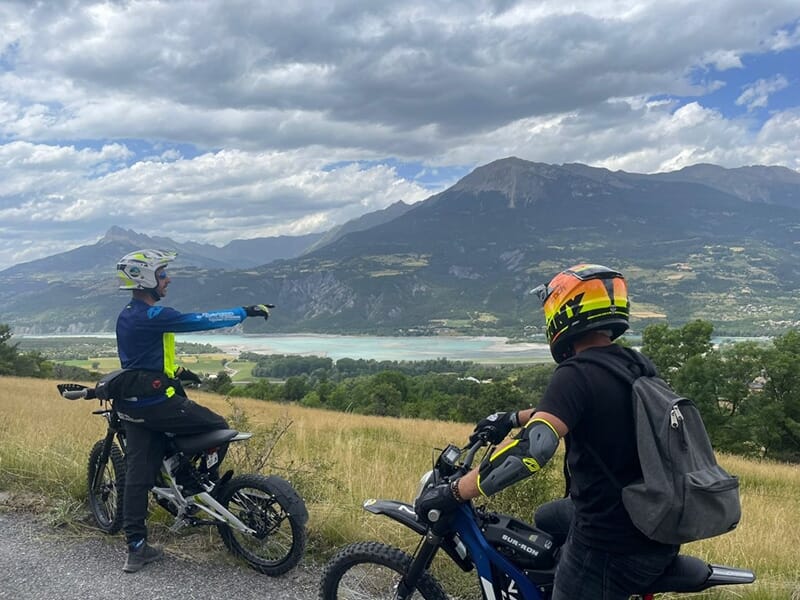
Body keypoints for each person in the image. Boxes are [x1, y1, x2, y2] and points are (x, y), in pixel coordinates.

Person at [415, 264, 680, 599]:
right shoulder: (633, 363)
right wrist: (513, 418)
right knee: (548, 518)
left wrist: (455, 492)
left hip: (611, 542)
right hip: (654, 521)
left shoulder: (575, 374)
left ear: (567, 310)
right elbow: (585, 410)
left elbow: (532, 451)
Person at [114, 249, 272, 573]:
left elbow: (141, 361)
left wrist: (174, 372)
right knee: (219, 426)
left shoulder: (126, 316)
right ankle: (196, 486)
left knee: (136, 478)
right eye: (162, 274)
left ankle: (137, 548)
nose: (167, 278)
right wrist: (244, 311)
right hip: (158, 405)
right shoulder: (152, 316)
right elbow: (200, 321)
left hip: (134, 407)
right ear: (145, 278)